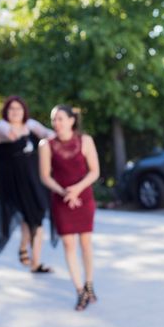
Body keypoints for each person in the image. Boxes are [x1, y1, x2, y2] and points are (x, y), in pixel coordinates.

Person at [39, 105, 100, 311]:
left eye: (61, 118)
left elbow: (94, 172)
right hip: (61, 199)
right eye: (54, 119)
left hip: (83, 197)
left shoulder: (86, 141)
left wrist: (76, 190)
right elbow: (45, 176)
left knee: (85, 243)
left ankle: (89, 283)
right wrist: (65, 192)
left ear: (72, 120)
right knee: (68, 244)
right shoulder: (45, 145)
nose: (57, 123)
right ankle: (79, 290)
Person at [0, 95, 54, 272]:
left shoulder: (30, 125)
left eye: (18, 109)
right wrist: (13, 131)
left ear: (24, 110)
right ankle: (35, 263)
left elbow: (49, 135)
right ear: (6, 111)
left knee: (33, 216)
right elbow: (8, 133)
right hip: (12, 182)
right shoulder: (0, 127)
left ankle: (25, 249)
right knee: (32, 218)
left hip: (33, 179)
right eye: (11, 109)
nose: (15, 112)